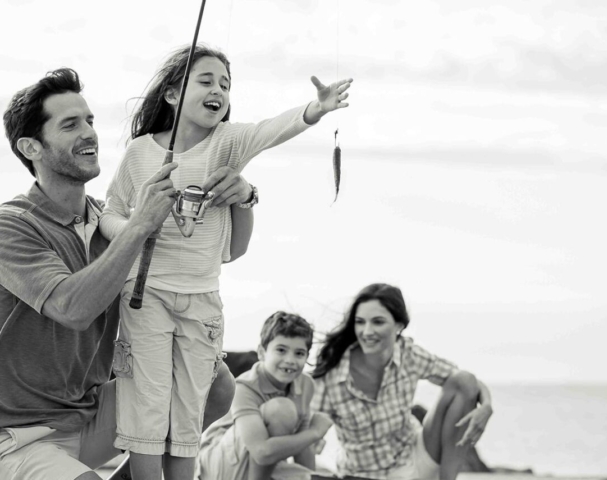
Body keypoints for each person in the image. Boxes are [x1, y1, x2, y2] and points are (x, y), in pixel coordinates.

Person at [98, 44, 352, 480]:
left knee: (188, 411)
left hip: (203, 301)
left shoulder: (230, 143)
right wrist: (137, 226)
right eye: (206, 80)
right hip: (146, 295)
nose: (218, 90)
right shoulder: (140, 153)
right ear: (174, 95)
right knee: (147, 405)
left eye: (225, 84)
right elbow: (109, 213)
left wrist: (317, 108)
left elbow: (273, 129)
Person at [0, 68, 241, 480]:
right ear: (31, 147)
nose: (89, 133)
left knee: (215, 382)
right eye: (70, 124)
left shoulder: (109, 219)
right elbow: (72, 307)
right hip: (21, 435)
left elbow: (224, 253)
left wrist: (242, 197)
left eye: (90, 120)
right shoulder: (12, 225)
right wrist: (141, 224)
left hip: (91, 414)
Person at [311, 283, 494, 480]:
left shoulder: (408, 354)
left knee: (464, 380)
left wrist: (486, 404)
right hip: (364, 474)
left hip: (417, 457)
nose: (367, 331)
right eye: (360, 322)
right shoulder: (332, 374)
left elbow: (464, 381)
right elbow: (308, 432)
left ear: (399, 325)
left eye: (378, 322)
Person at [196, 311, 334, 480]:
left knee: (318, 476)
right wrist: (316, 432)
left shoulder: (305, 384)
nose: (290, 360)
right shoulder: (244, 388)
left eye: (299, 353)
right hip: (219, 466)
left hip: (262, 466)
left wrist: (309, 474)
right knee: (281, 409)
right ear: (262, 353)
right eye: (281, 350)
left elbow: (302, 440)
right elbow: (261, 452)